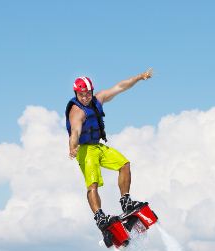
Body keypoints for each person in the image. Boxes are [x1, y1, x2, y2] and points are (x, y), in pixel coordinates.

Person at [65, 68, 153, 232]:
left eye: (87, 94)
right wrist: (72, 147)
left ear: (91, 91)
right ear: (76, 94)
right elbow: (75, 131)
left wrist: (140, 77)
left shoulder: (99, 99)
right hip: (84, 150)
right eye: (81, 95)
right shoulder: (76, 111)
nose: (85, 98)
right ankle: (99, 216)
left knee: (124, 164)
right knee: (93, 184)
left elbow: (120, 87)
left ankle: (126, 201)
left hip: (98, 146)